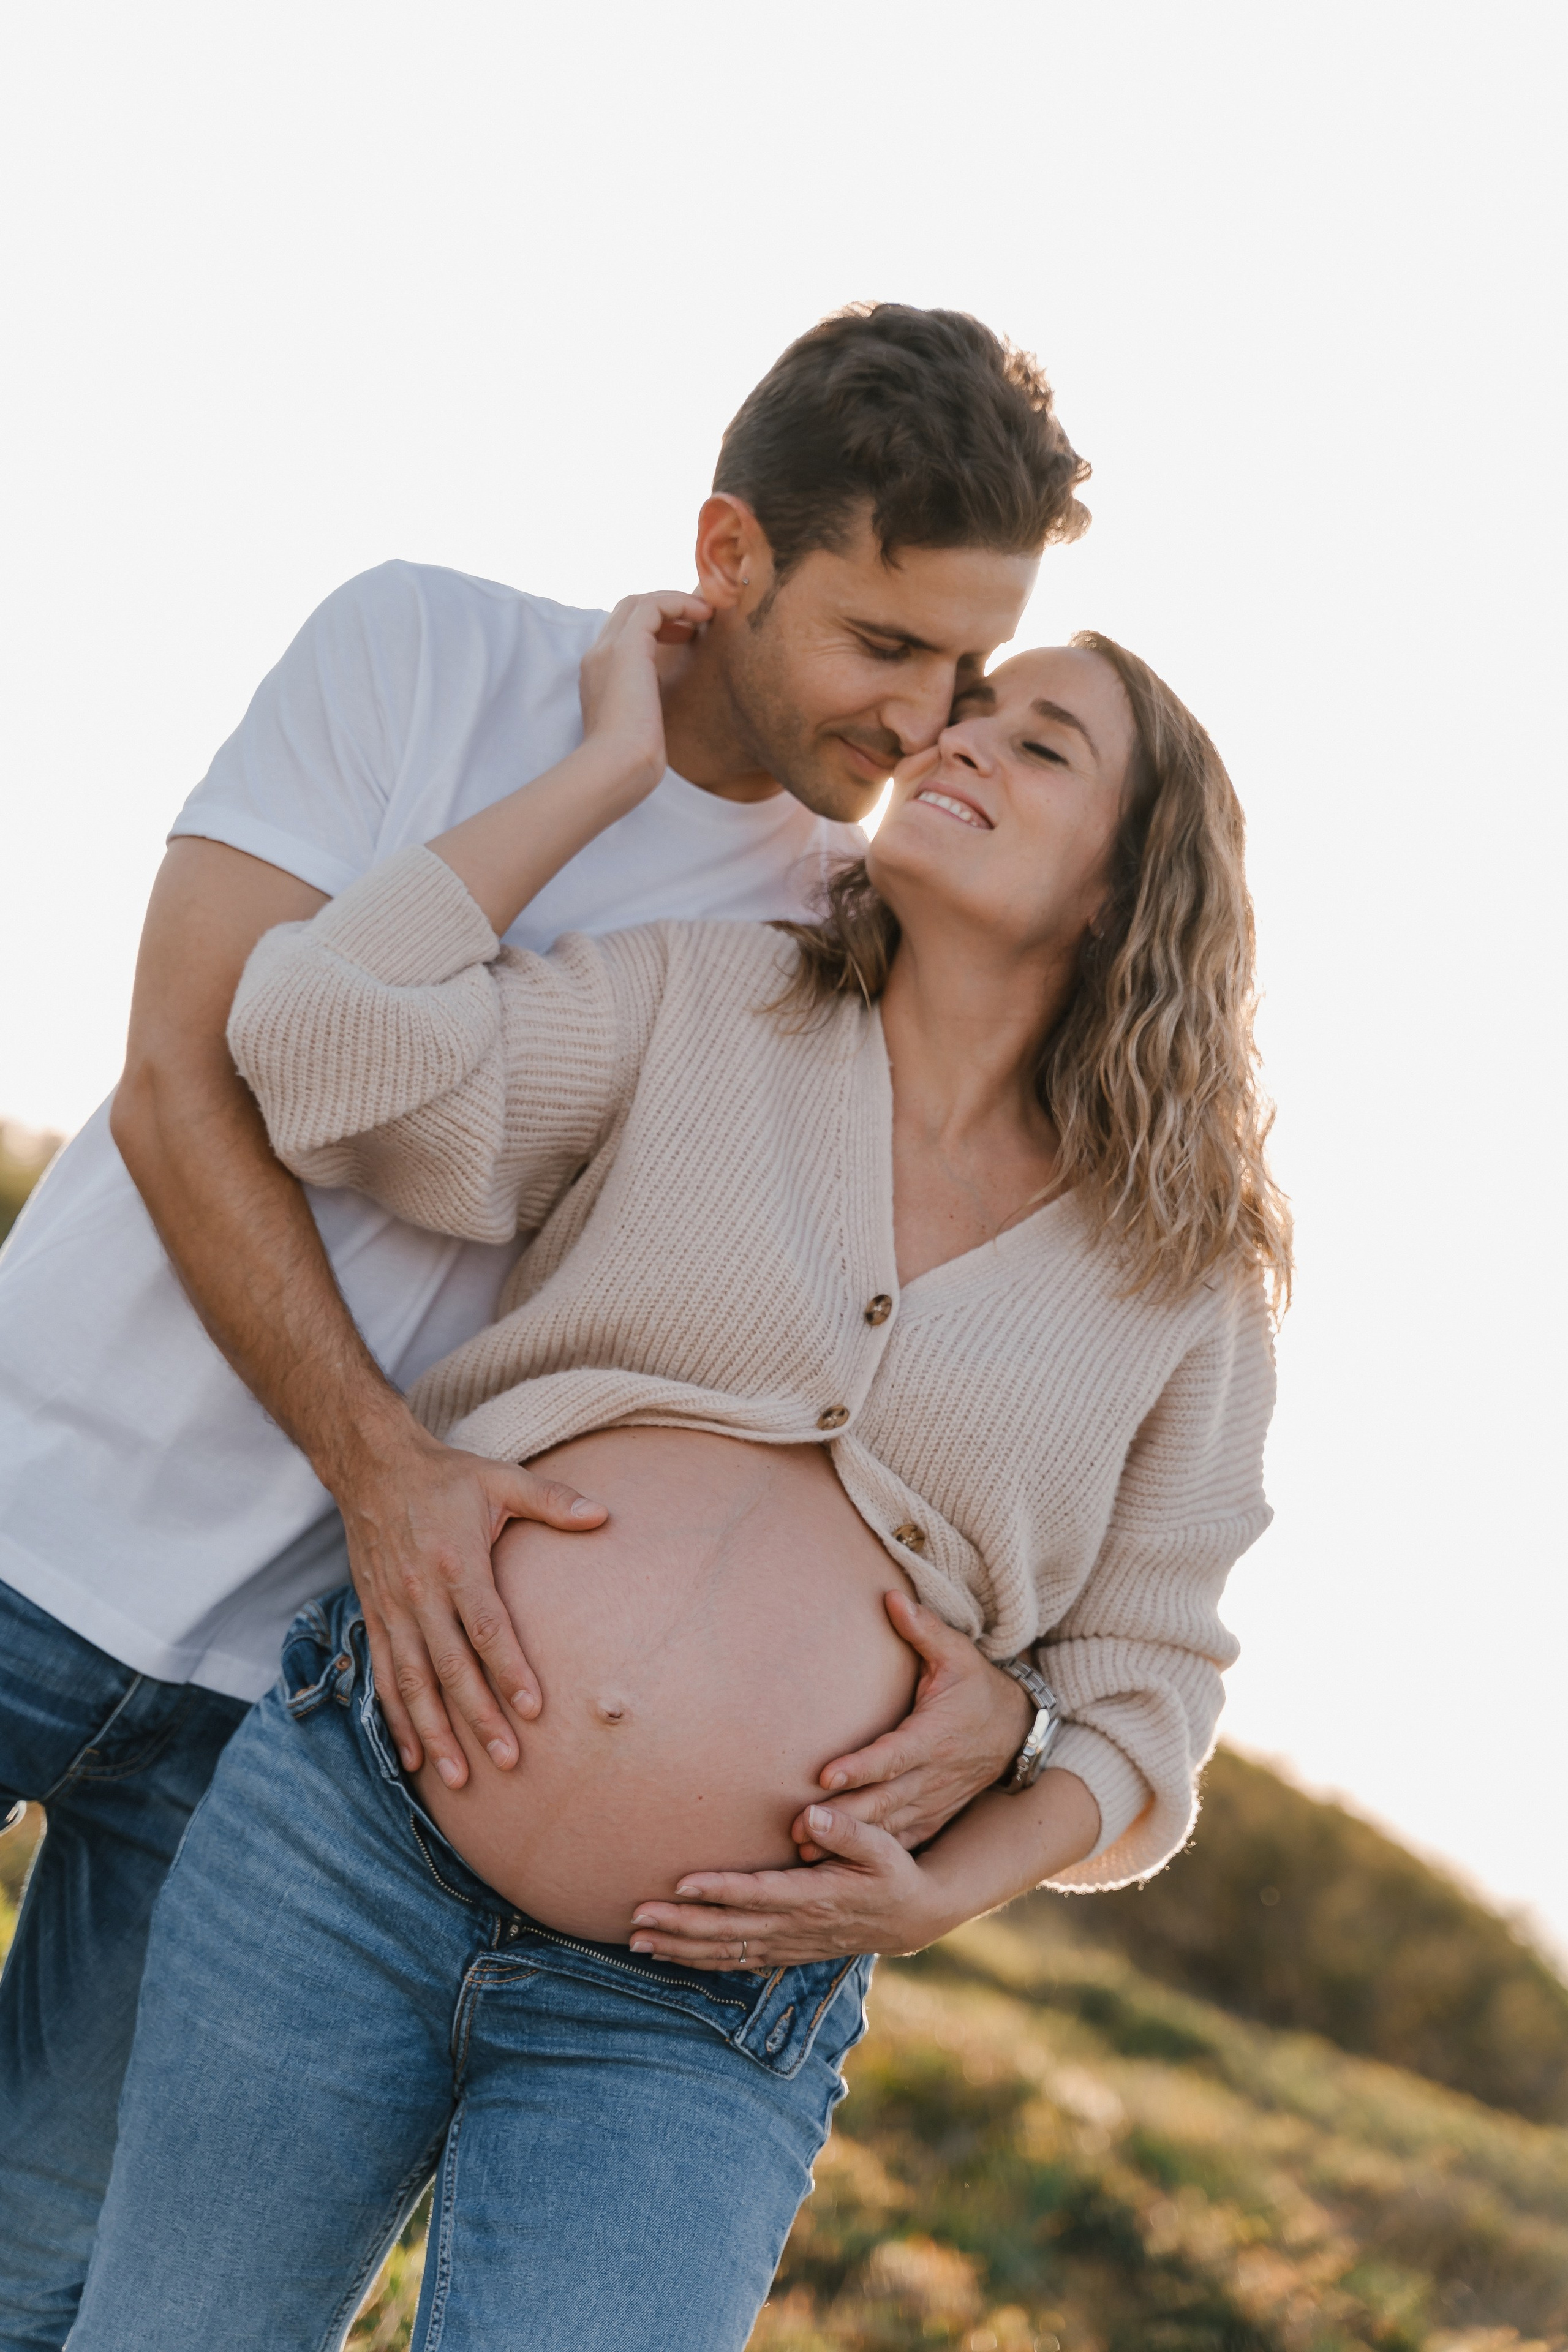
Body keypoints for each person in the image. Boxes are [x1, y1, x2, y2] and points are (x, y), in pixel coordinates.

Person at [0, 303, 1090, 2350]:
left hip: (305, 1699)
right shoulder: (423, 649)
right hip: (24, 1522)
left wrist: (1024, 1727)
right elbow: (185, 1077)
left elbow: (903, 1382)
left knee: (29, 2265)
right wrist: (385, 1470)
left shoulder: (850, 945)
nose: (927, 719)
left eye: (971, 665)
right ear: (732, 553)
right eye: (885, 647)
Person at [69, 609, 1287, 2350]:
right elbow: (320, 1049)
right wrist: (597, 778)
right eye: (966, 717)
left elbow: (1153, 1688)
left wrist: (959, 1871)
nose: (958, 745)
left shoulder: (1184, 1276)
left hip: (707, 2012)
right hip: (351, 1836)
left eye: (1039, 745)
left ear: (1128, 893)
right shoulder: (711, 1001)